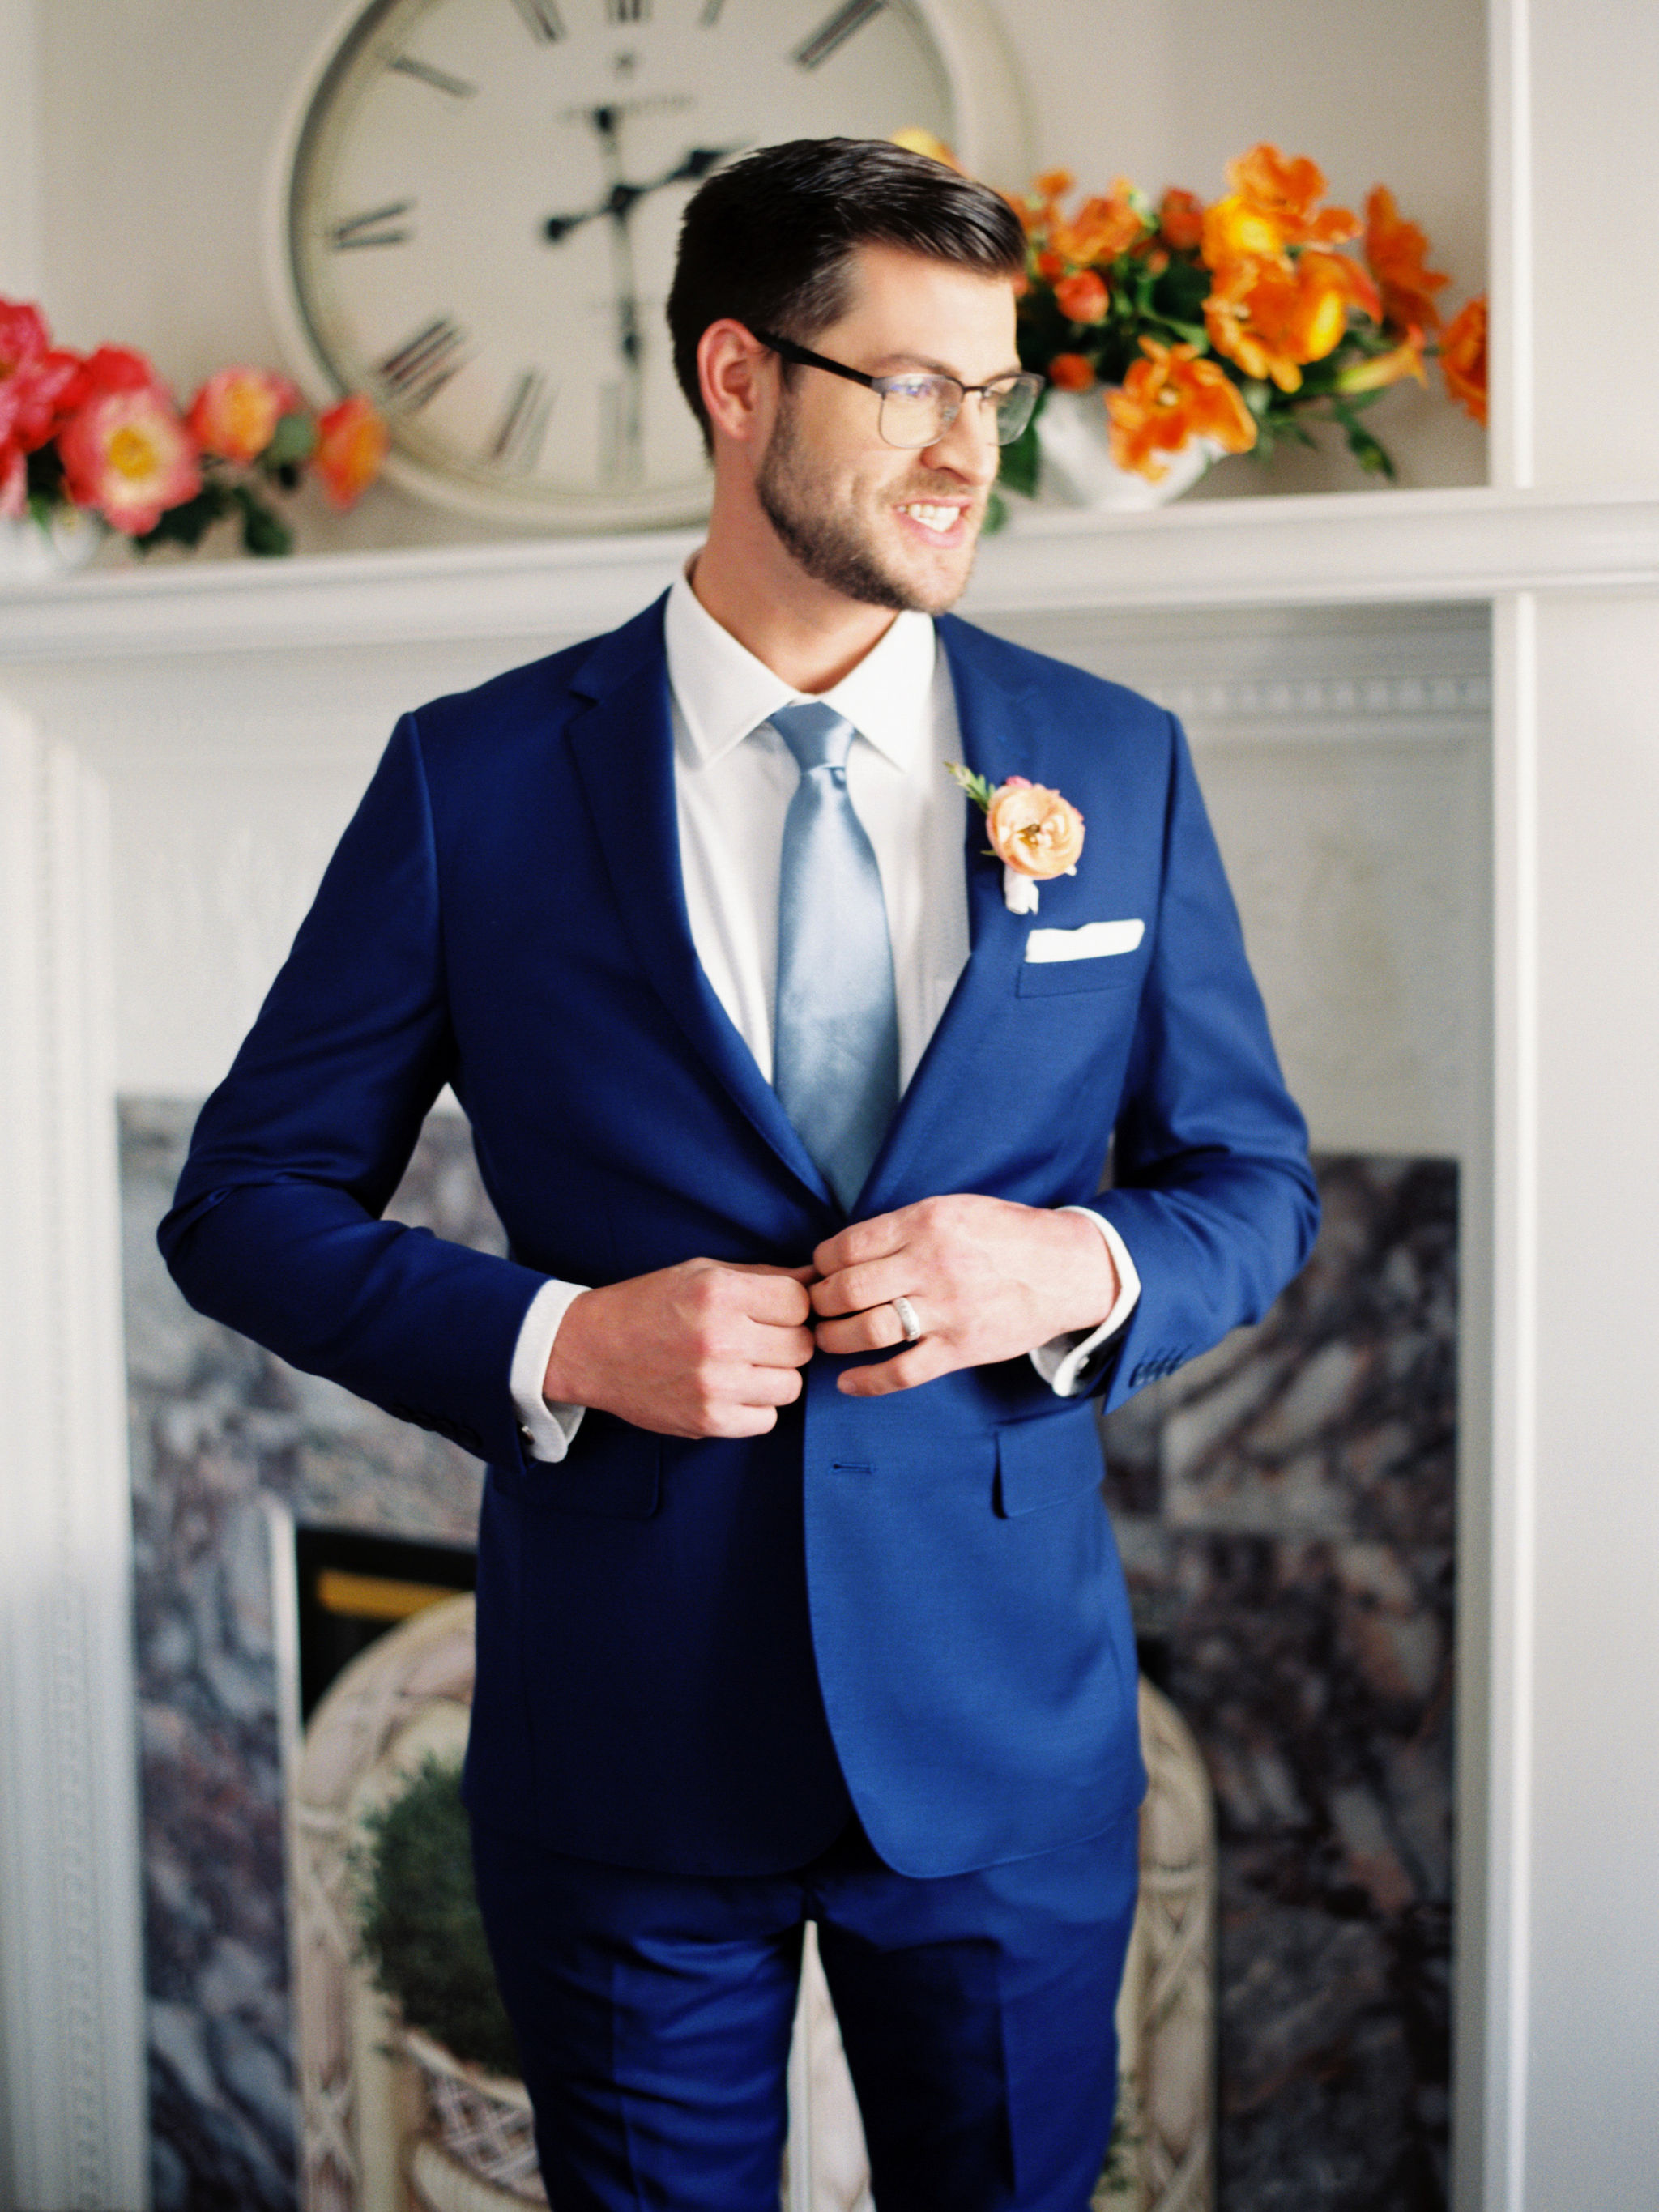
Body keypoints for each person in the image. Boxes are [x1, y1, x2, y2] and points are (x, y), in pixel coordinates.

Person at [161, 138, 1317, 2212]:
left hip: (1002, 1756)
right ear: (737, 379)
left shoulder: (1113, 762)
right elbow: (244, 1196)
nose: (973, 451)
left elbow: (1251, 1182)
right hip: (624, 1753)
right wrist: (563, 1335)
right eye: (911, 386)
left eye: (1000, 391)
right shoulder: (476, 778)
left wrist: (1066, 1265)